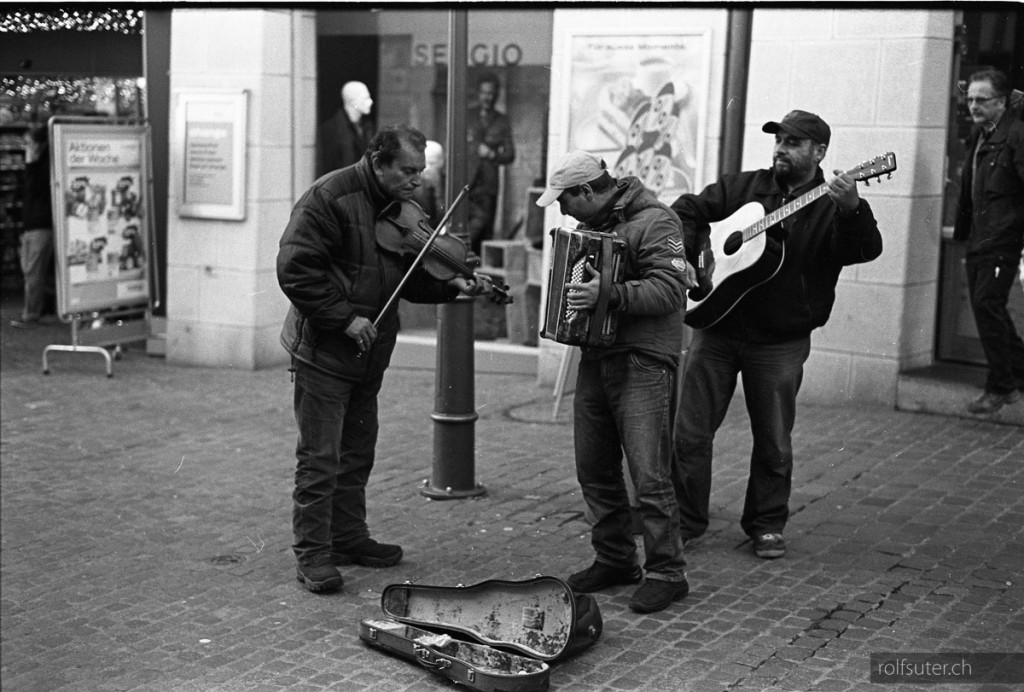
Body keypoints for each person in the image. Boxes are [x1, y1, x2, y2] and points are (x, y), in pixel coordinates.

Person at [277, 125, 487, 593]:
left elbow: (406, 278)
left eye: (420, 170)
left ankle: (349, 538)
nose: (417, 180)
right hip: (326, 351)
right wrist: (343, 318)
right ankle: (312, 554)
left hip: (368, 355)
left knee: (357, 453)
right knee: (320, 458)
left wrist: (450, 285)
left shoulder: (400, 209)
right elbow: (295, 268)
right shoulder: (329, 196)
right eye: (408, 171)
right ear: (377, 162)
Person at [671, 110, 883, 560]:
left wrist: (852, 210)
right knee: (689, 433)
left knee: (773, 439)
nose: (781, 149)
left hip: (780, 339)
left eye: (793, 142)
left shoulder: (831, 202)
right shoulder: (744, 188)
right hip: (717, 327)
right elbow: (686, 209)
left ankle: (766, 524)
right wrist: (693, 255)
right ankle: (685, 520)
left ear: (819, 152)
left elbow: (864, 250)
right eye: (779, 140)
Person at [536, 150, 695, 613]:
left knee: (648, 474)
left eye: (565, 200)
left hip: (643, 361)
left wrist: (607, 294)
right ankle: (615, 558)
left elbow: (670, 290)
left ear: (588, 191)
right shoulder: (592, 226)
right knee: (594, 468)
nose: (562, 210)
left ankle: (668, 571)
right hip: (597, 357)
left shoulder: (656, 221)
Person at [953, 69, 1024, 414]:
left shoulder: (1016, 135)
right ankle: (1018, 374)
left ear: (1002, 101)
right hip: (979, 240)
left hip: (1003, 239)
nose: (974, 106)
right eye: (970, 99)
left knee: (986, 304)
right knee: (987, 307)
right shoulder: (979, 136)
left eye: (982, 100)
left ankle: (1001, 387)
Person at [11, 125, 54, 328]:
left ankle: (31, 312)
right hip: (32, 223)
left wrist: (31, 164)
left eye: (29, 144)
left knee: (33, 269)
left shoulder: (43, 168)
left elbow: (34, 189)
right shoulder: (37, 166)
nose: (26, 148)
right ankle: (38, 308)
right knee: (29, 268)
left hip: (40, 223)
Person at [467, 72, 515, 254]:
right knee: (463, 230)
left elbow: (510, 155)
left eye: (491, 93)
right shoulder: (467, 115)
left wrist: (492, 154)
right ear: (478, 93)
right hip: (466, 183)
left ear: (496, 95)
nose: (487, 97)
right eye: (484, 92)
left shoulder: (502, 120)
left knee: (485, 233)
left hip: (488, 186)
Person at [317, 81, 374, 176]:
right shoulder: (332, 129)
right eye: (365, 98)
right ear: (353, 101)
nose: (370, 102)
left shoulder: (367, 128)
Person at [412, 139, 446, 226]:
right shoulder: (413, 186)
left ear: (441, 163)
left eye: (432, 163)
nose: (428, 169)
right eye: (426, 163)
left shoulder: (447, 184)